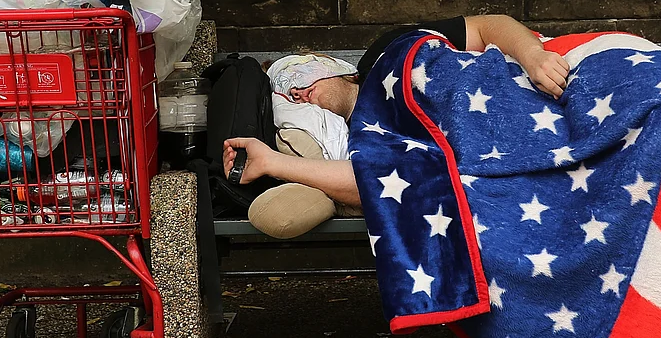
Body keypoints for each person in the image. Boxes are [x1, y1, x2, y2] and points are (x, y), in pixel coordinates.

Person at [223, 14, 570, 210]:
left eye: (295, 75)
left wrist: (532, 56)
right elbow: (374, 182)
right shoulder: (361, 138)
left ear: (332, 65)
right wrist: (271, 161)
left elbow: (487, 26)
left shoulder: (385, 51)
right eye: (287, 95)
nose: (296, 91)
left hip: (543, 92)